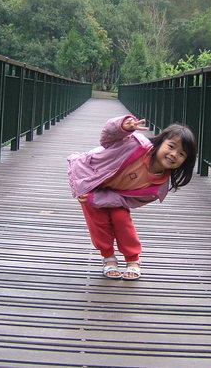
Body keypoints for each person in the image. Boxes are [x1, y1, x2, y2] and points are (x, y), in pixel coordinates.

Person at [67, 115, 197, 280]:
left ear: (185, 161)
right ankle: (108, 256)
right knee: (99, 221)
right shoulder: (135, 144)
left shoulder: (157, 187)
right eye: (171, 146)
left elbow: (126, 201)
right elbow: (107, 138)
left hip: (114, 192)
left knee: (121, 217)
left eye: (181, 154)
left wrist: (100, 199)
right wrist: (123, 126)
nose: (173, 154)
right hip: (89, 178)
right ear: (160, 142)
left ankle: (133, 259)